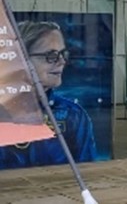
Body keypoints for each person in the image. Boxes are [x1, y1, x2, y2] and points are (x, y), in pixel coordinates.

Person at [0, 21, 97, 169]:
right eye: (51, 55)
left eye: (62, 54)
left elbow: (86, 171)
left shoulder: (74, 115)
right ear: (20, 59)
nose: (61, 62)